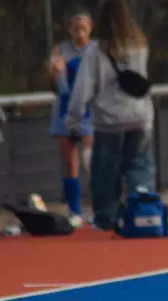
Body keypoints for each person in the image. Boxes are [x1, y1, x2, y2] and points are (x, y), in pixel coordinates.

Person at [65, 0, 155, 231]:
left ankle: (106, 218)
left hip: (109, 120)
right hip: (140, 116)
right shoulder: (140, 45)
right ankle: (142, 213)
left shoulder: (96, 50)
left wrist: (74, 122)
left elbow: (82, 89)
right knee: (139, 166)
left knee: (105, 171)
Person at [47, 6, 96, 228]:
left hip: (89, 112)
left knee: (90, 159)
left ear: (90, 27)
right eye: (75, 27)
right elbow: (55, 86)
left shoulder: (97, 50)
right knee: (69, 161)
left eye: (83, 26)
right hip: (64, 111)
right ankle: (74, 210)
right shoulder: (60, 51)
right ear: (69, 29)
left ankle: (100, 208)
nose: (79, 31)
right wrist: (54, 73)